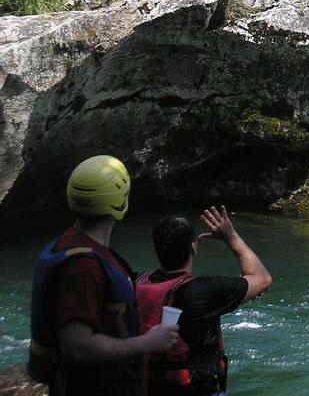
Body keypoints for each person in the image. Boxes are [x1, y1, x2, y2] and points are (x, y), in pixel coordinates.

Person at [28, 155, 179, 396]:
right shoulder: (84, 267)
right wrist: (148, 343)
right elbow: (77, 345)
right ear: (121, 201)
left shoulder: (67, 245)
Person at [135, 206, 272, 396]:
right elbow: (262, 279)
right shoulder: (203, 291)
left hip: (150, 386)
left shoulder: (137, 282)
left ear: (157, 248)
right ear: (193, 246)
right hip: (195, 388)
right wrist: (231, 237)